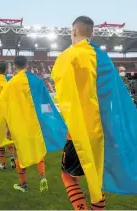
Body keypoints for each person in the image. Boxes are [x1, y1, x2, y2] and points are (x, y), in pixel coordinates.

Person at [52, 16, 137, 210]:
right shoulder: (103, 58)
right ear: (93, 33)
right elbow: (116, 96)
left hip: (79, 131)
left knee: (68, 175)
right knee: (96, 177)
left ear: (73, 31)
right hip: (104, 131)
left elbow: (65, 98)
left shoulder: (67, 57)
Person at [0, 56, 67, 192]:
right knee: (38, 149)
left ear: (14, 66)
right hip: (36, 124)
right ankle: (42, 176)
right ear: (27, 64)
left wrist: (7, 128)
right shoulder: (36, 81)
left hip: (20, 125)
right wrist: (47, 119)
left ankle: (23, 185)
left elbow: (5, 106)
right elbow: (45, 103)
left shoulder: (11, 84)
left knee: (21, 153)